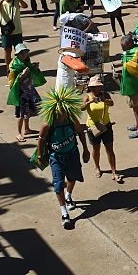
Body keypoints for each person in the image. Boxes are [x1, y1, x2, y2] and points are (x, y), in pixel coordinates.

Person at [36, 87, 90, 230]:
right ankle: (64, 212)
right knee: (58, 184)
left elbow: (81, 133)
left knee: (72, 178)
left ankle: (69, 195)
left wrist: (85, 149)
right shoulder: (48, 124)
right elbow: (41, 139)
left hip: (72, 153)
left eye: (64, 111)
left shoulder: (72, 120)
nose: (62, 113)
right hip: (56, 157)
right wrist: (41, 155)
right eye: (59, 111)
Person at [83, 75, 121, 184]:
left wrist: (104, 100)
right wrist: (90, 102)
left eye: (98, 87)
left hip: (106, 125)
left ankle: (114, 171)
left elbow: (112, 103)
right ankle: (97, 167)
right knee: (96, 149)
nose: (96, 89)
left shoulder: (105, 95)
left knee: (109, 148)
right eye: (94, 87)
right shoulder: (88, 96)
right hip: (93, 127)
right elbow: (82, 108)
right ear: (90, 88)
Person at [6, 42, 44, 143]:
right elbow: (12, 80)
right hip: (21, 92)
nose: (24, 54)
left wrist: (34, 67)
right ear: (17, 54)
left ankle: (27, 129)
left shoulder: (27, 61)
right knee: (21, 114)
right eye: (21, 53)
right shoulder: (14, 64)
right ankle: (19, 133)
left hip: (29, 90)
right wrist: (22, 75)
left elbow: (31, 70)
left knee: (29, 111)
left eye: (25, 52)